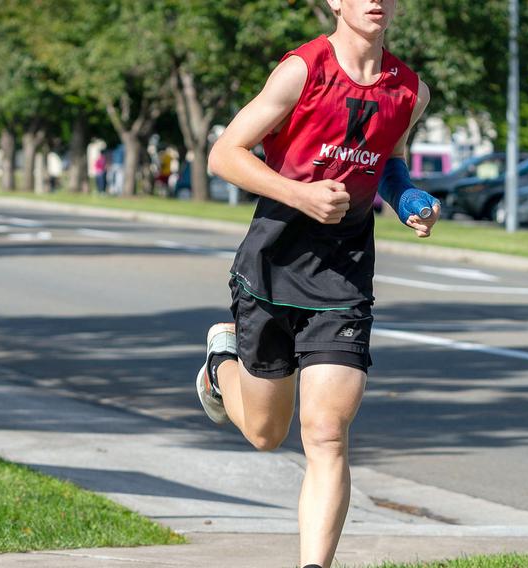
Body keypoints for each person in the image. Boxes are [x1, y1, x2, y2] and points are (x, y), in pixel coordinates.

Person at [196, 2, 438, 567]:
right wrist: (302, 194)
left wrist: (408, 201)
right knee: (264, 433)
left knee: (327, 430)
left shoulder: (410, 91)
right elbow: (224, 154)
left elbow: (390, 162)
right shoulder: (302, 71)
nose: (376, 1)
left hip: (343, 273)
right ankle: (220, 362)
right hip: (272, 266)